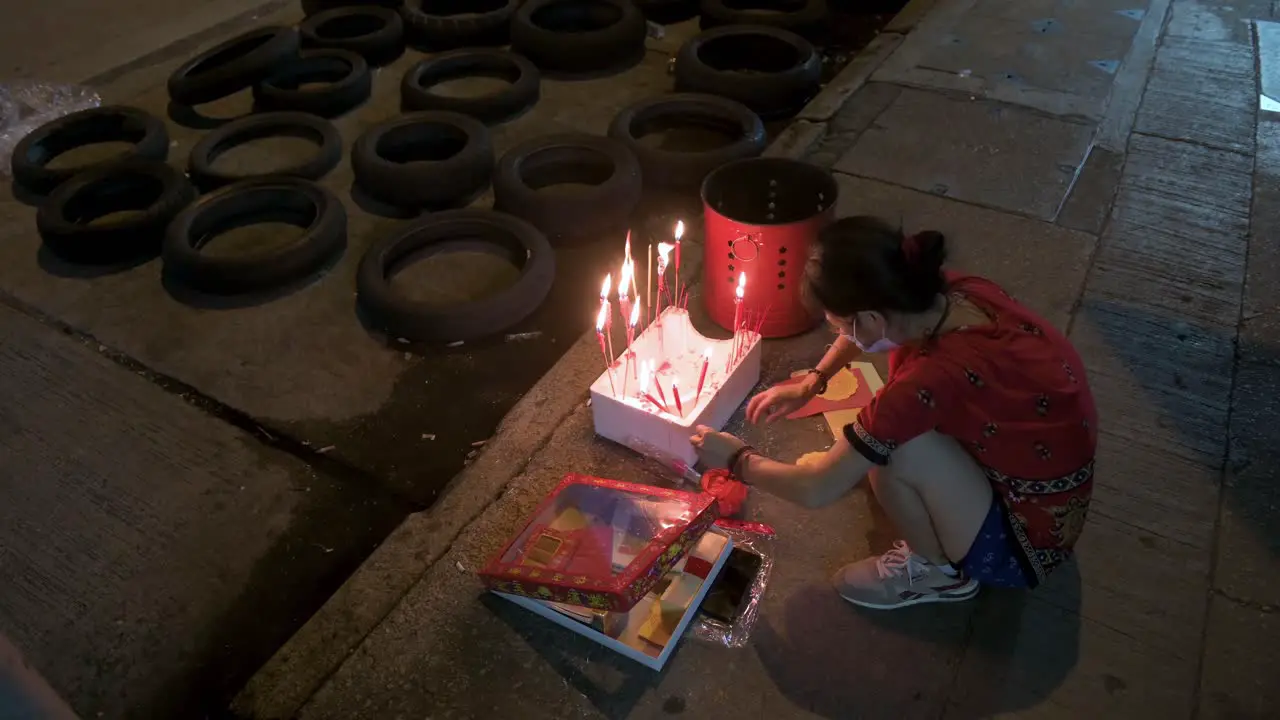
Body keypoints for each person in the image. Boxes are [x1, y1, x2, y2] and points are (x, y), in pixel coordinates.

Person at [690, 216, 1097, 610]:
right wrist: (815, 380)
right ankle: (933, 495)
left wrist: (736, 459)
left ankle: (940, 573)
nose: (839, 337)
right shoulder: (952, 292)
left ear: (869, 317)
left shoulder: (925, 384)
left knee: (891, 449)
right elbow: (869, 330)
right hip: (1048, 500)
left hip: (1022, 544)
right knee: (880, 437)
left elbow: (815, 489)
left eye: (839, 327)